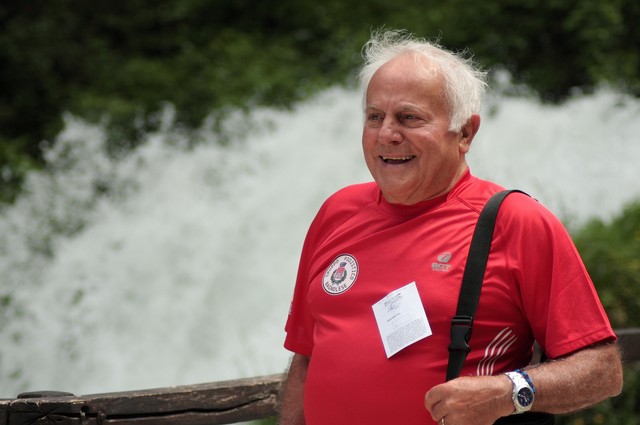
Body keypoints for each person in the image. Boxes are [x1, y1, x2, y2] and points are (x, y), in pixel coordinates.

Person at [278, 29, 623, 425]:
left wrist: (509, 392)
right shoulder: (336, 212)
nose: (386, 134)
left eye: (409, 117)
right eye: (375, 117)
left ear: (465, 133)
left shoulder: (514, 222)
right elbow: (306, 357)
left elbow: (603, 369)